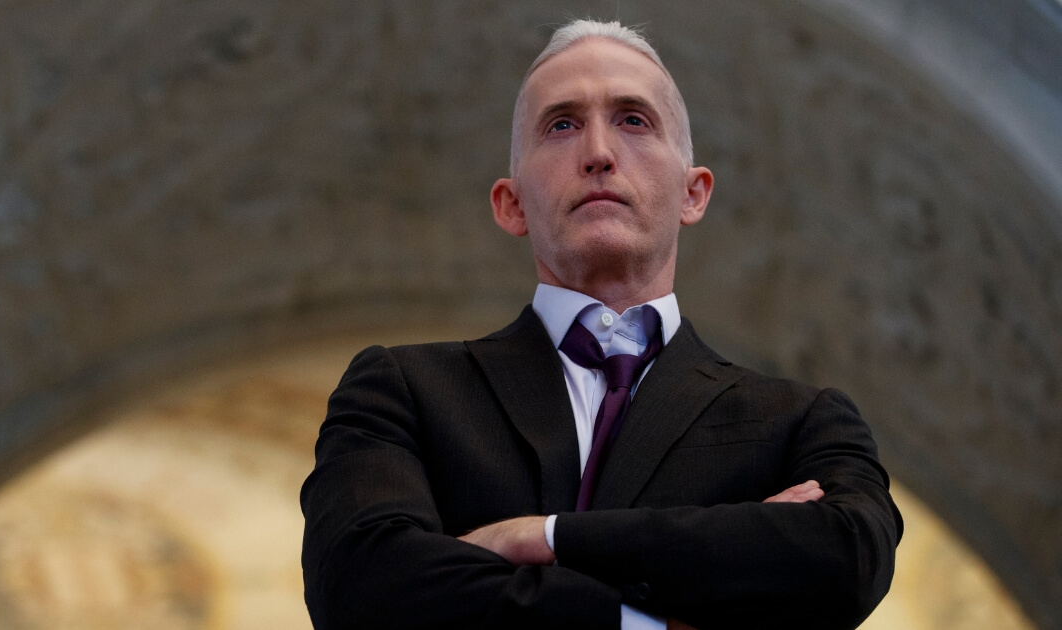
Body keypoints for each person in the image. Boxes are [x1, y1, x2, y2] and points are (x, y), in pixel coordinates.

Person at [301, 19, 901, 630]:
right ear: (512, 204)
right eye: (561, 124)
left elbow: (847, 556)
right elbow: (359, 586)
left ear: (693, 193)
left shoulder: (799, 420)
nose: (598, 153)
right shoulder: (402, 390)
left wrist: (541, 537)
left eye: (633, 120)